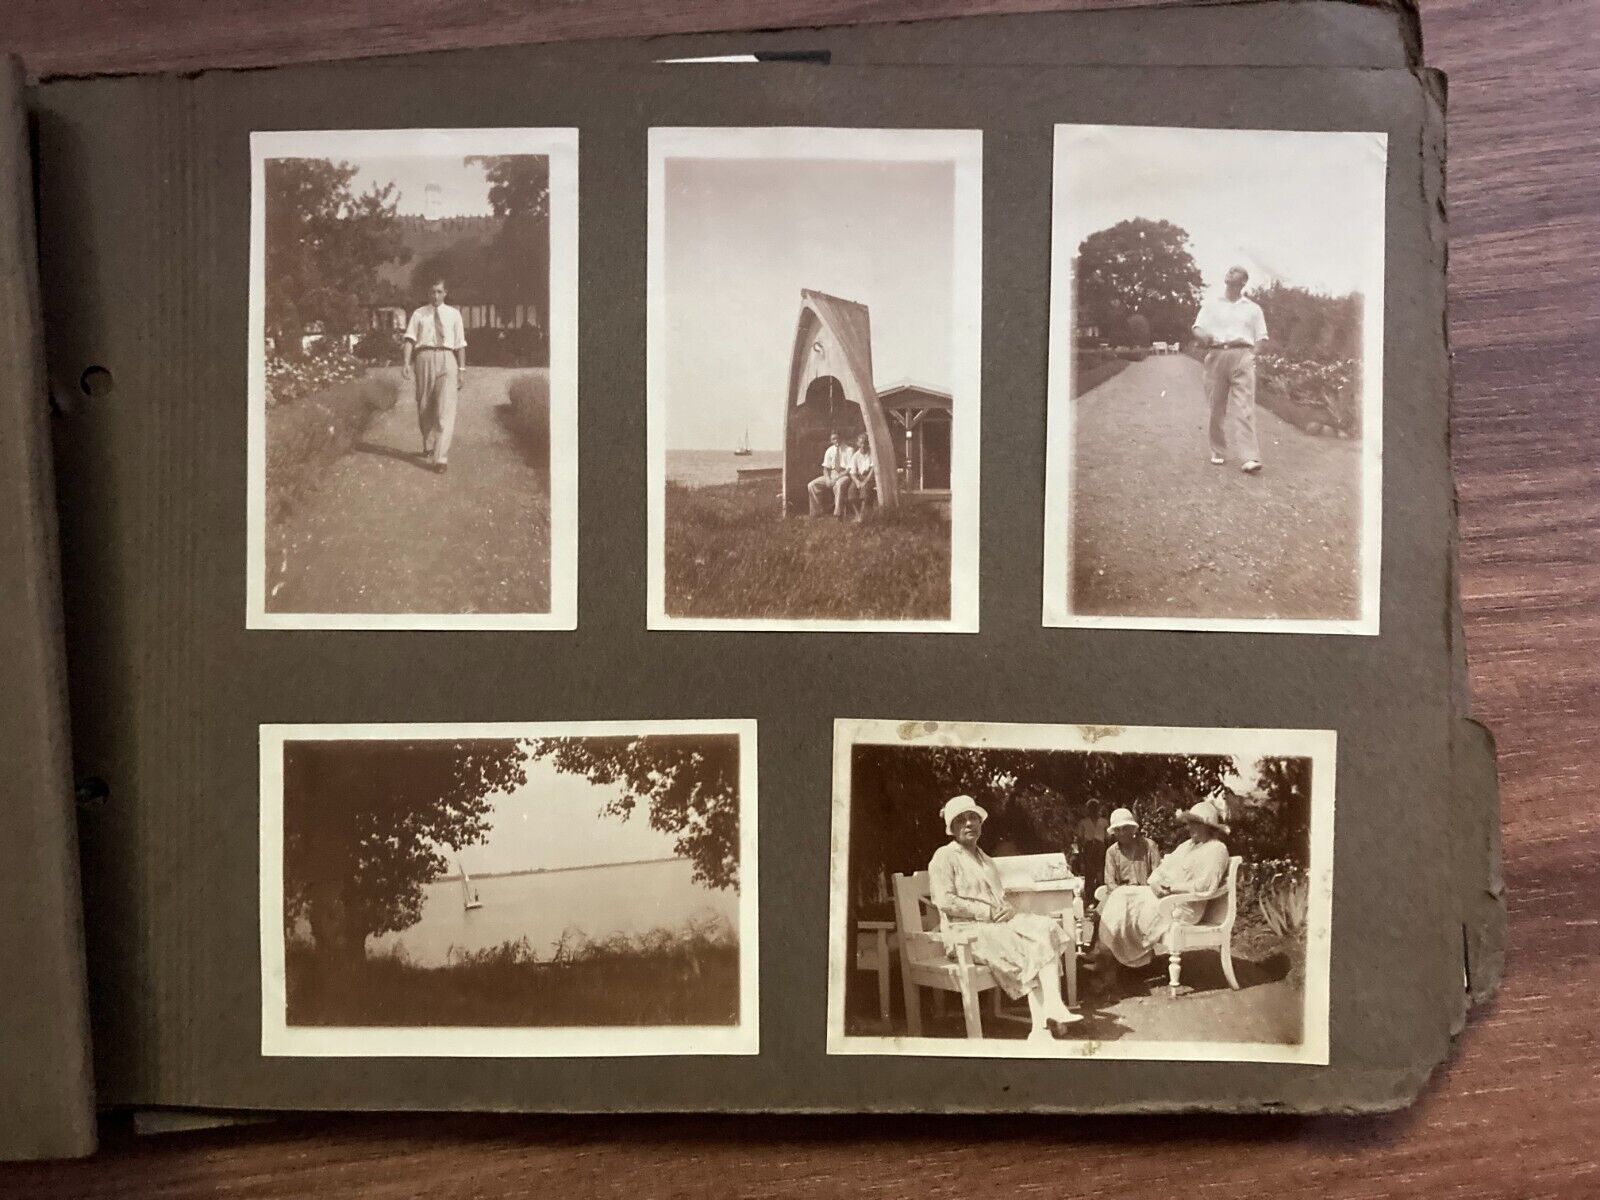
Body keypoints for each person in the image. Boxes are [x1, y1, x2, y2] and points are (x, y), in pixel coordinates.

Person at [927, 795, 1082, 1042]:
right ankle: (1040, 1028)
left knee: (1046, 927)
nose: (969, 824)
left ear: (981, 823)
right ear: (952, 828)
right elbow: (945, 901)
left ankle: (1052, 1005)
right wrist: (985, 912)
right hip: (964, 933)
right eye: (961, 820)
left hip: (994, 927)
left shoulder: (986, 860)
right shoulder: (944, 857)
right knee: (1026, 945)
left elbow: (998, 898)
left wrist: (1007, 909)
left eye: (973, 818)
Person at [1092, 799, 1232, 976]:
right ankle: (1106, 952)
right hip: (1166, 897)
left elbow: (1205, 885)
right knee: (1121, 894)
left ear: (1208, 826)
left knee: (1128, 906)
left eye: (1195, 824)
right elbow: (1161, 870)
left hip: (1186, 907)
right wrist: (1156, 882)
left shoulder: (1217, 850)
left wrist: (1172, 887)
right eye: (1189, 823)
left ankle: (1107, 961)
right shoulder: (1186, 846)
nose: (1189, 828)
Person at [1191, 265, 1269, 474]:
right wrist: (1202, 336)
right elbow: (1197, 327)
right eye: (1229, 270)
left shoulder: (1253, 308)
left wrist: (1252, 355)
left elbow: (1261, 337)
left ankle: (1250, 457)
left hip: (1242, 355)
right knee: (1216, 407)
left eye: (1236, 271)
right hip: (1216, 355)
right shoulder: (1211, 304)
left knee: (1245, 407)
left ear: (1243, 282)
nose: (1230, 272)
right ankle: (1218, 450)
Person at [401, 279, 468, 474]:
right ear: (428, 293)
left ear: (446, 292)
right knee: (424, 406)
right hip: (424, 358)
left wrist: (462, 370)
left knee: (445, 409)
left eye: (439, 292)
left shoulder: (454, 314)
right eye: (432, 292)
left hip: (448, 358)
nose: (435, 296)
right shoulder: (419, 314)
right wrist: (406, 363)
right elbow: (409, 339)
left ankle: (441, 458)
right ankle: (428, 443)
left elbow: (460, 344)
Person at [1094, 808, 1162, 906]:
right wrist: (1124, 897)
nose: (1122, 833)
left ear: (1133, 828)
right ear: (1113, 832)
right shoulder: (1111, 852)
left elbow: (1158, 875)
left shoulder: (1149, 846)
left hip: (1147, 896)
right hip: (1121, 898)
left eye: (1125, 828)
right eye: (1117, 830)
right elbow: (1110, 882)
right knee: (1100, 916)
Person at [807, 430, 853, 517]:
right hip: (832, 474)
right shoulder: (829, 450)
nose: (836, 440)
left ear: (842, 438)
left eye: (838, 438)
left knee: (839, 484)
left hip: (844, 475)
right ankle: (816, 512)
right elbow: (825, 468)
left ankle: (838, 513)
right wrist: (828, 479)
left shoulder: (849, 450)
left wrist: (836, 479)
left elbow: (849, 469)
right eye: (834, 439)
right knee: (812, 485)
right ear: (831, 440)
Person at [1074, 801, 1109, 897]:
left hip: (1100, 848)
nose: (1093, 810)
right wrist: (1081, 854)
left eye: (1095, 807)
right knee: (1089, 874)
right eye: (1091, 808)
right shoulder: (1083, 822)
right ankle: (1089, 899)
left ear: (1098, 809)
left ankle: (1101, 898)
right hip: (1088, 849)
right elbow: (1080, 840)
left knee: (1101, 874)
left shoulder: (1104, 822)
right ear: (1088, 809)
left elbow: (1107, 839)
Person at [847, 432, 876, 520]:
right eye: (861, 443)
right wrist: (857, 482)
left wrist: (865, 482)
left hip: (869, 478)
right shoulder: (855, 455)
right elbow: (852, 472)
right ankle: (857, 514)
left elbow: (872, 470)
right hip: (858, 477)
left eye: (865, 443)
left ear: (868, 443)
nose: (863, 445)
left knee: (865, 492)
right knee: (851, 493)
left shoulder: (872, 454)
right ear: (858, 444)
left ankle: (862, 516)